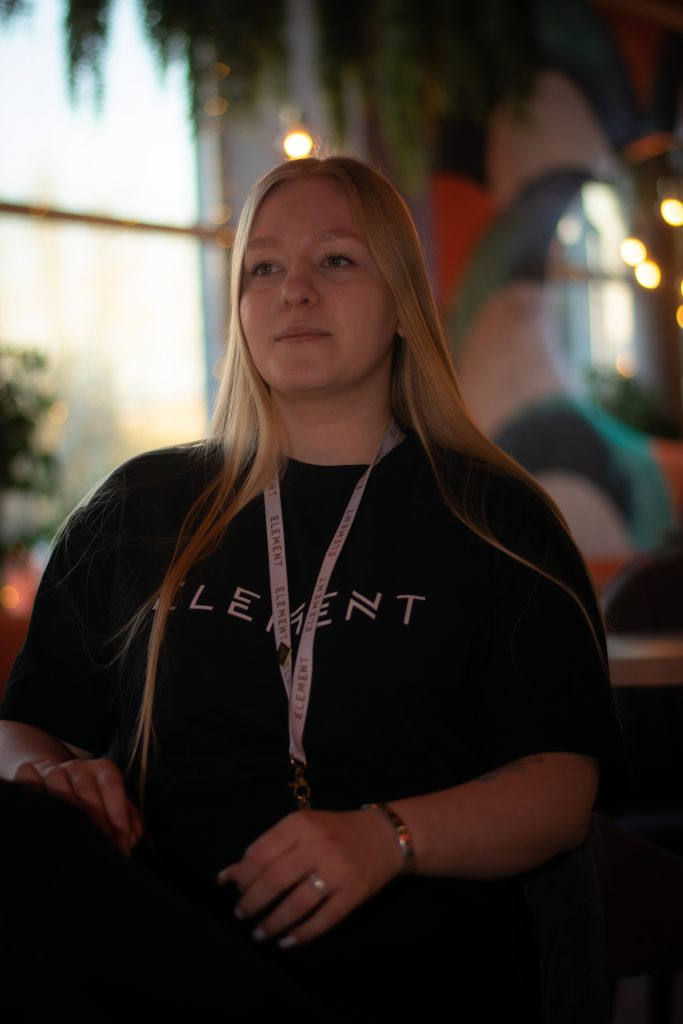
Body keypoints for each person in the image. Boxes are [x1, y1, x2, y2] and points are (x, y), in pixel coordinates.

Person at [0, 156, 623, 1022]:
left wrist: (385, 837)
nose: (293, 289)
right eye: (263, 268)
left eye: (335, 259)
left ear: (402, 303)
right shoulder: (139, 505)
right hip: (154, 943)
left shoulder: (493, 515)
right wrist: (48, 779)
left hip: (402, 960)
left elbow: (558, 788)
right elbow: (21, 727)